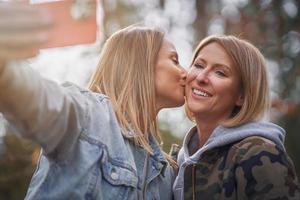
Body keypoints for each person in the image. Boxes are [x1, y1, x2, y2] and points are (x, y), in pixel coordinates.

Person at [0, 3, 187, 199]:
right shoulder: (89, 115)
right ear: (142, 63)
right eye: (174, 60)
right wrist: (4, 64)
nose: (186, 73)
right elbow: (37, 98)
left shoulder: (167, 175)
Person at [173, 35, 300, 200]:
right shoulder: (179, 160)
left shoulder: (259, 153)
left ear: (242, 95)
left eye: (220, 73)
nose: (201, 77)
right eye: (198, 65)